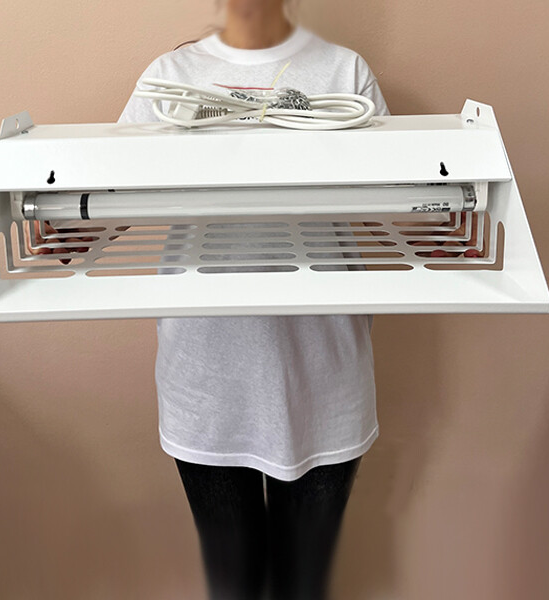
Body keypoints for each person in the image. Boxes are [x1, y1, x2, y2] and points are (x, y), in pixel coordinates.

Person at [118, 1, 390, 599]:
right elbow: (113, 195)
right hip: (206, 378)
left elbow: (388, 206)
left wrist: (446, 214)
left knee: (304, 583)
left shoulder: (345, 74)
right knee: (233, 583)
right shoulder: (170, 79)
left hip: (323, 373)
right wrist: (56, 217)